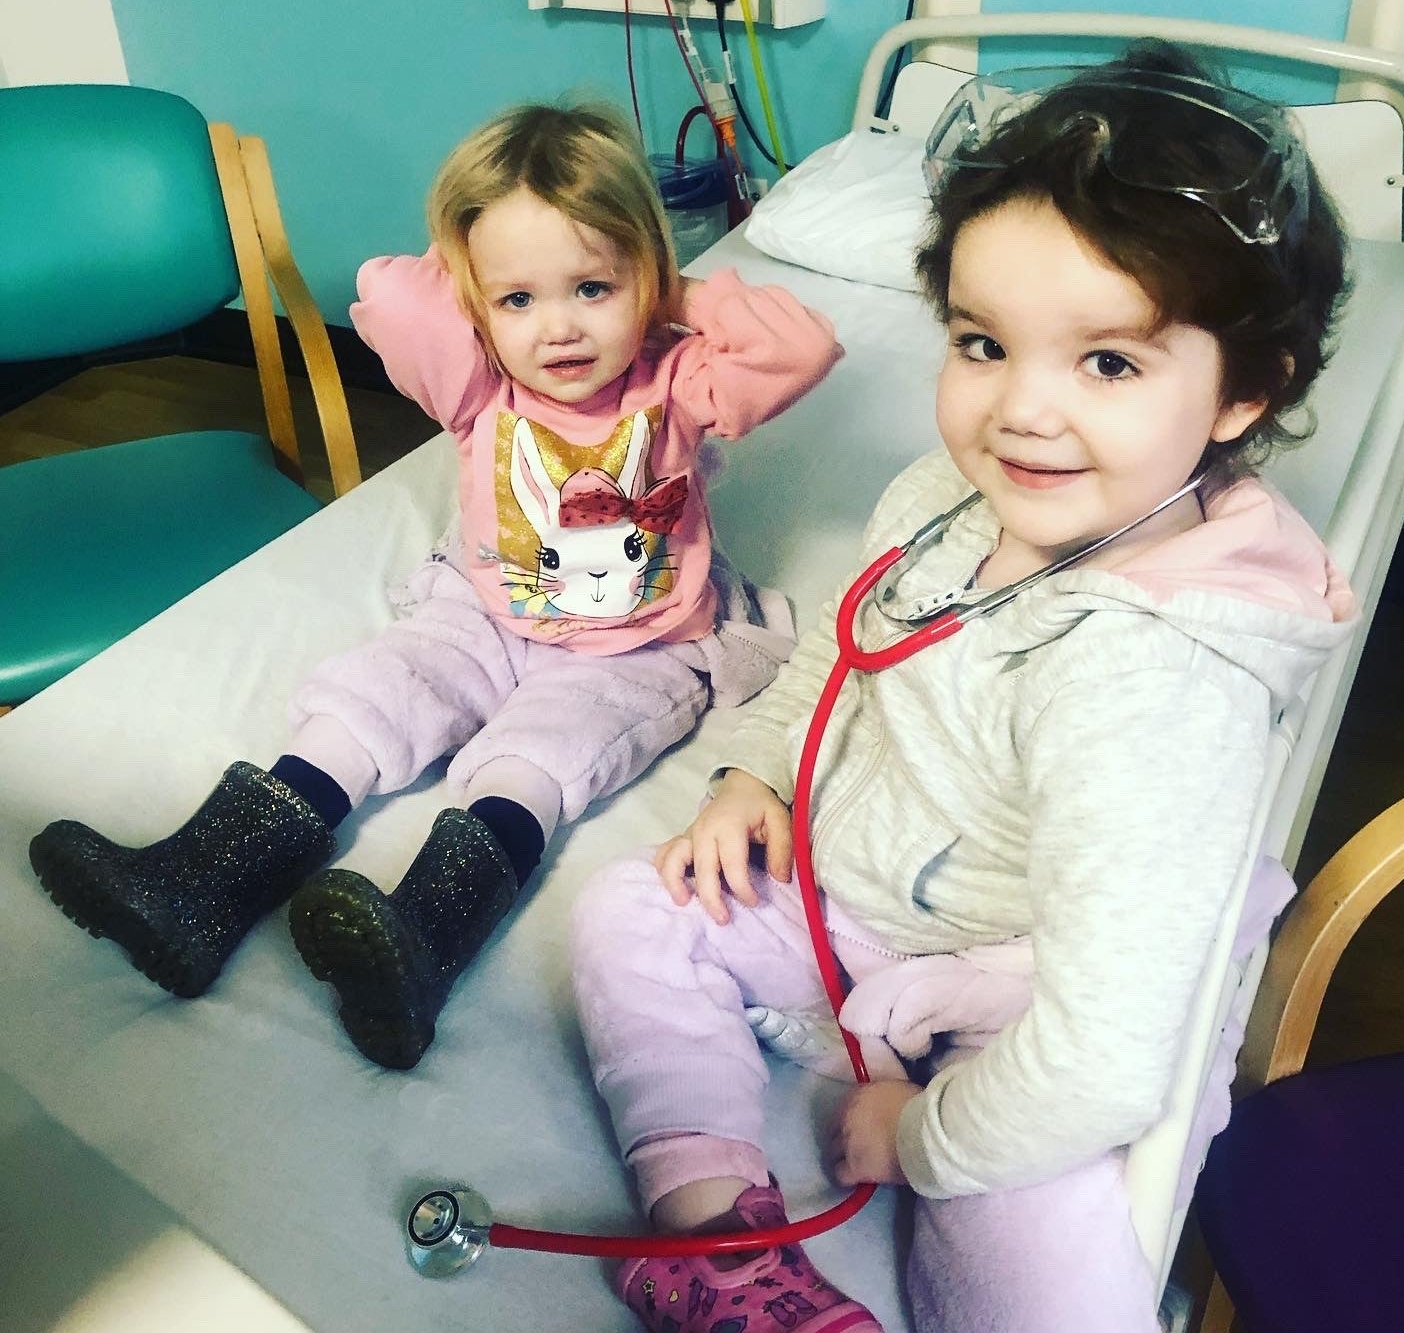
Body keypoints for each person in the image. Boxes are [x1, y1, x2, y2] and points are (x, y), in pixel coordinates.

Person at [566, 42, 1356, 1333]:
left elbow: (1106, 1060)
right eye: (983, 344)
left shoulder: (1153, 684)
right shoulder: (946, 489)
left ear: (1244, 393)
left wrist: (921, 1140)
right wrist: (757, 770)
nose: (1021, 410)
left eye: (1108, 360)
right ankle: (732, 1266)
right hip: (863, 902)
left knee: (1050, 1332)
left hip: (1031, 999)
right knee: (634, 913)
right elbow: (853, 633)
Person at [29, 102, 841, 1070]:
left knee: (542, 754)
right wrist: (481, 272)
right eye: (518, 300)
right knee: (378, 694)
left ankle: (422, 938)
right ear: (479, 304)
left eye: (593, 286)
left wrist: (676, 295)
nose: (561, 329)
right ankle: (199, 884)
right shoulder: (475, 383)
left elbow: (798, 348)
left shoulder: (678, 380)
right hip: (482, 604)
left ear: (647, 281)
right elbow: (390, 292)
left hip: (640, 640)